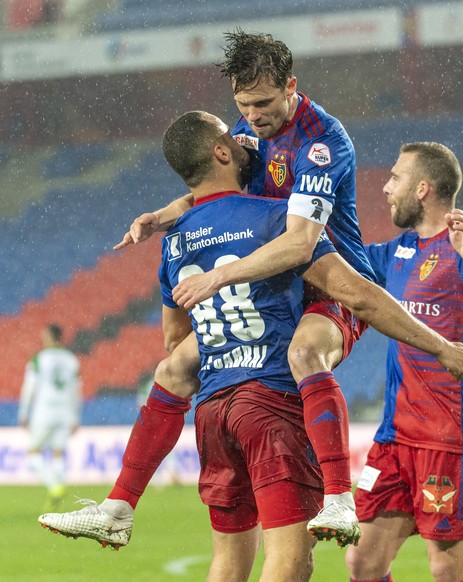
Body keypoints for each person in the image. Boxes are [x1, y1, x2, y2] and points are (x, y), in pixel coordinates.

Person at [39, 113, 463, 568]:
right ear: (222, 153)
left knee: (227, 564)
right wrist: (440, 346)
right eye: (231, 134)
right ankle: (338, 496)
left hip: (211, 411)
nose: (244, 133)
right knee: (289, 564)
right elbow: (357, 295)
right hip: (270, 404)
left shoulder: (174, 242)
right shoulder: (276, 221)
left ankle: (120, 504)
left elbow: (174, 340)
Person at [112, 29, 381, 545]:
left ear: (291, 86)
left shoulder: (322, 140)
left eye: (262, 103)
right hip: (278, 289)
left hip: (332, 285)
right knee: (174, 366)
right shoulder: (247, 131)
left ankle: (340, 499)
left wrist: (220, 276)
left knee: (304, 354)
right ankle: (118, 506)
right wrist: (162, 216)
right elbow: (219, 186)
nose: (252, 117)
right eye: (242, 104)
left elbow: (302, 244)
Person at [344, 142, 463, 582]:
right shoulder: (394, 252)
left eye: (395, 178)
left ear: (422, 189)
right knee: (363, 562)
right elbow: (339, 263)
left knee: (447, 570)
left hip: (452, 439)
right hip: (395, 438)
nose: (386, 188)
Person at [18, 323, 81, 510]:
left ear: (49, 337)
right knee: (57, 452)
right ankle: (59, 491)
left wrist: (23, 412)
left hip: (44, 411)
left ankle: (55, 487)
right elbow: (76, 390)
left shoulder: (39, 359)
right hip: (65, 412)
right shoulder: (71, 360)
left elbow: (29, 388)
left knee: (33, 452)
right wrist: (75, 416)